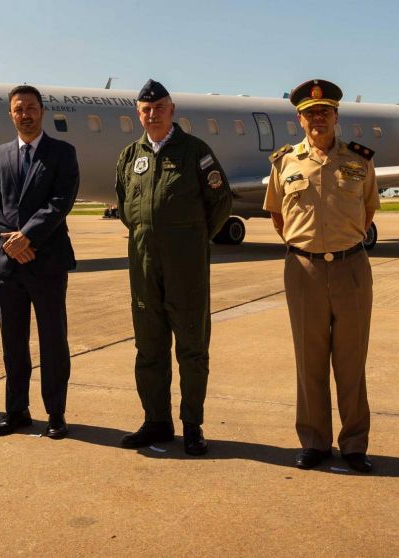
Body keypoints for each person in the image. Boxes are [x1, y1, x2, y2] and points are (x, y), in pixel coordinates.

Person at [263, 79, 379, 472]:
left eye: (324, 112)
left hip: (351, 269)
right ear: (299, 119)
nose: (318, 118)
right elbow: (279, 217)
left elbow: (368, 210)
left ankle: (354, 445)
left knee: (351, 361)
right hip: (304, 270)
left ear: (336, 116)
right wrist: (308, 245)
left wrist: (341, 243)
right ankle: (314, 442)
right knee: (308, 361)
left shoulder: (359, 161)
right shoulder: (284, 163)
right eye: (310, 113)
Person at [114, 79, 233, 456]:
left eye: (159, 108)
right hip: (144, 264)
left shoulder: (195, 151)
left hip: (187, 267)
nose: (153, 114)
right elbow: (125, 207)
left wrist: (192, 240)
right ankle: (156, 421)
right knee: (148, 346)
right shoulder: (130, 157)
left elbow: (220, 202)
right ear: (138, 113)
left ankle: (192, 425)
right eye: (146, 109)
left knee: (191, 348)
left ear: (172, 110)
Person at [0, 85, 80, 439]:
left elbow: (60, 201)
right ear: (11, 114)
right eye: (19, 109)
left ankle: (55, 413)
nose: (26, 114)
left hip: (46, 261)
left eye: (32, 108)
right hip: (8, 266)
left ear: (42, 112)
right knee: (13, 344)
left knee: (53, 342)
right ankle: (16, 411)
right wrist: (12, 242)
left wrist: (28, 237)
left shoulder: (62, 153)